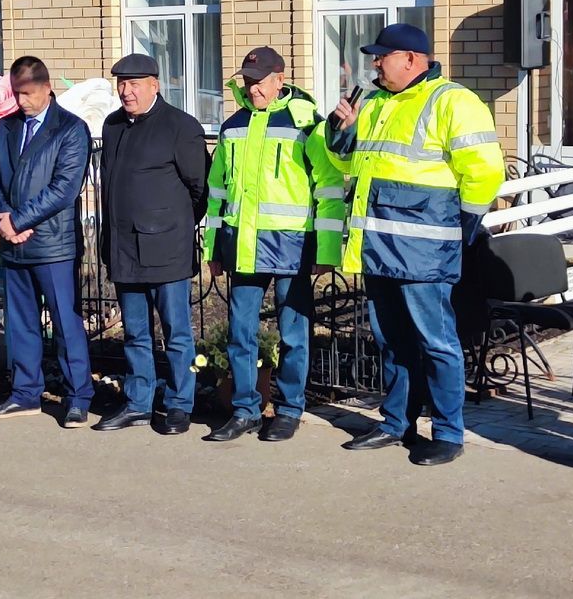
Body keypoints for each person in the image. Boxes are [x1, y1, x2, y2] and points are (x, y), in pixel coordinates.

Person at [325, 23, 506, 465]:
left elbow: (484, 172)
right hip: (379, 248)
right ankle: (395, 423)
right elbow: (347, 162)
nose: (374, 64)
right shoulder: (375, 102)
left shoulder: (453, 101)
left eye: (381, 56)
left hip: (424, 252)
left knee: (436, 342)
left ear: (411, 59)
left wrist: (459, 229)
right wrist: (340, 130)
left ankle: (448, 432)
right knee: (391, 341)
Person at [201, 47, 345, 442]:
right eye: (247, 81)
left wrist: (328, 250)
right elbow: (217, 193)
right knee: (240, 333)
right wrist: (213, 249)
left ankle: (289, 410)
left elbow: (330, 190)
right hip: (243, 246)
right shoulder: (233, 126)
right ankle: (245, 410)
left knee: (293, 335)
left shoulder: (307, 124)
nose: (252, 89)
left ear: (280, 79)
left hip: (291, 246)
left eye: (259, 81)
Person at [90, 53, 208, 435]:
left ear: (154, 85)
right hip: (124, 248)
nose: (126, 91)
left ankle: (178, 404)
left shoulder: (180, 126)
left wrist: (168, 225)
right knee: (135, 334)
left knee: (176, 333)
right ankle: (138, 403)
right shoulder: (112, 125)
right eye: (122, 84)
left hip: (166, 250)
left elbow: (199, 190)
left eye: (134, 84)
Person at [0, 56, 95, 428]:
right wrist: (4, 217)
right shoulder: (5, 127)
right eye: (17, 93)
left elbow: (63, 188)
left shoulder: (70, 129)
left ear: (47, 88)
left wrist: (19, 219)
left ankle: (78, 397)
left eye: (28, 93)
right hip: (15, 243)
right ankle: (25, 392)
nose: (22, 101)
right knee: (21, 324)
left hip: (54, 246)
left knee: (65, 322)